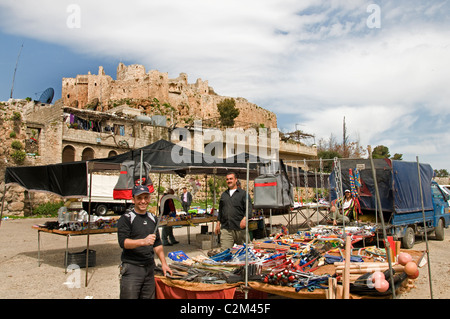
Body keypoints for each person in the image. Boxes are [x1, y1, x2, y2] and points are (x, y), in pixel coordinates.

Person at [117, 185, 172, 299]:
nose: (143, 201)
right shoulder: (126, 218)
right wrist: (143, 241)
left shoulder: (153, 218)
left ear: (149, 199)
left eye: (146, 198)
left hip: (149, 268)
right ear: (133, 200)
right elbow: (123, 242)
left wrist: (164, 263)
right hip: (132, 268)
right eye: (139, 198)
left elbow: (157, 243)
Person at [214, 172, 252, 250]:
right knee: (225, 252)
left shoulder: (243, 194)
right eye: (227, 179)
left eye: (231, 179)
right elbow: (221, 210)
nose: (229, 181)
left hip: (240, 229)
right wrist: (218, 223)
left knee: (246, 252)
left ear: (235, 180)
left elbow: (249, 208)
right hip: (226, 229)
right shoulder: (224, 195)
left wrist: (245, 219)